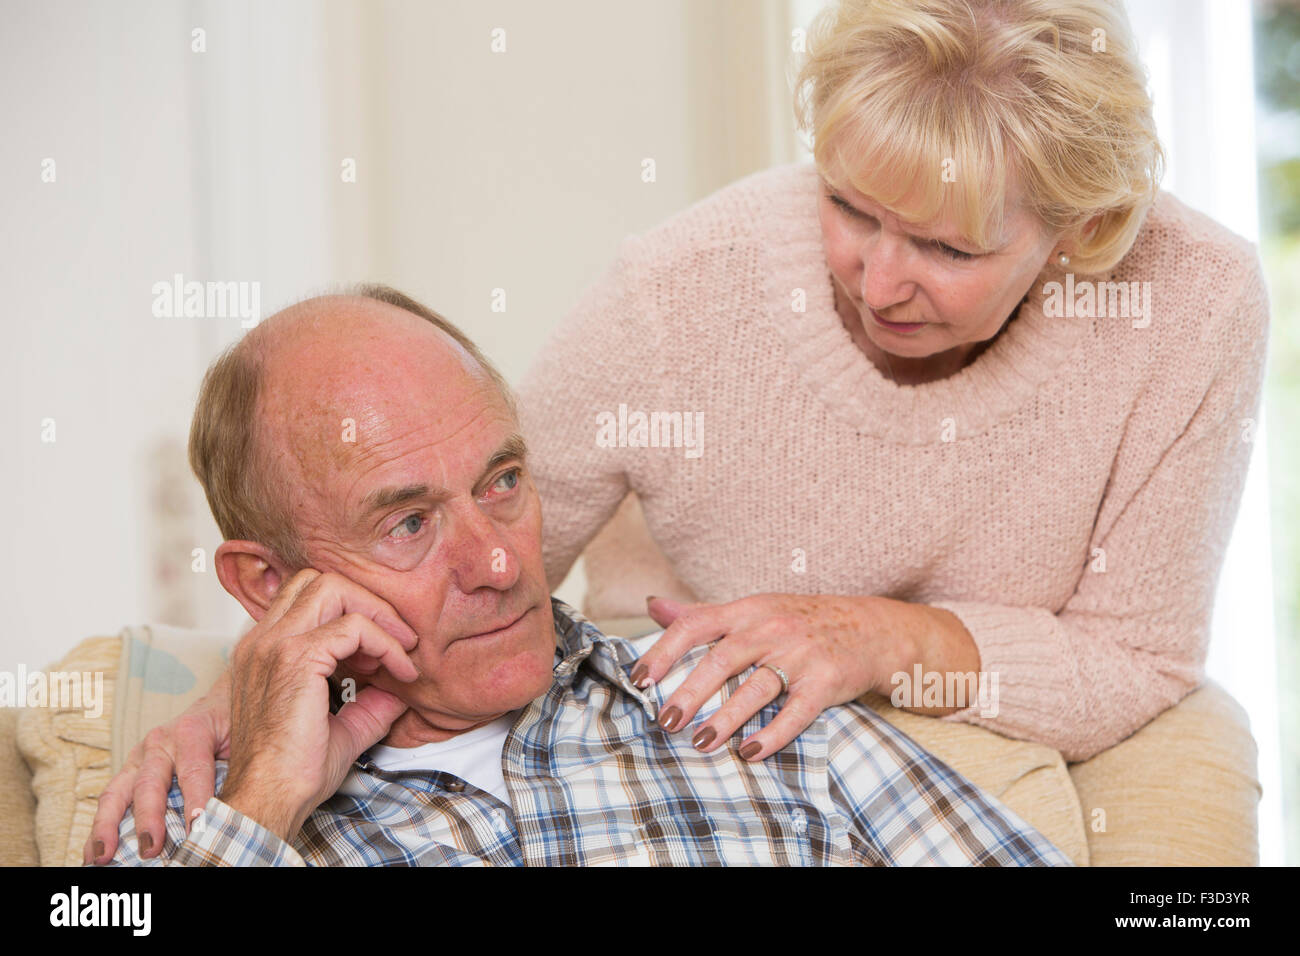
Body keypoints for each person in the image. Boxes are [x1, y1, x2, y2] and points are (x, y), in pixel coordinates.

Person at [512, 0, 1270, 764]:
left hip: (1038, 725)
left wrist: (882, 639)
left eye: (946, 249)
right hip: (732, 718)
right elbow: (474, 564)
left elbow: (1137, 659)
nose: (876, 288)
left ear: (1085, 227)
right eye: (847, 205)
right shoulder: (677, 288)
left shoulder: (1195, 296)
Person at [97, 289, 1069, 866]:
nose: (500, 559)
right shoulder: (190, 823)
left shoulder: (744, 704)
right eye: (408, 521)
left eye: (504, 481)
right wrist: (268, 792)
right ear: (269, 584)